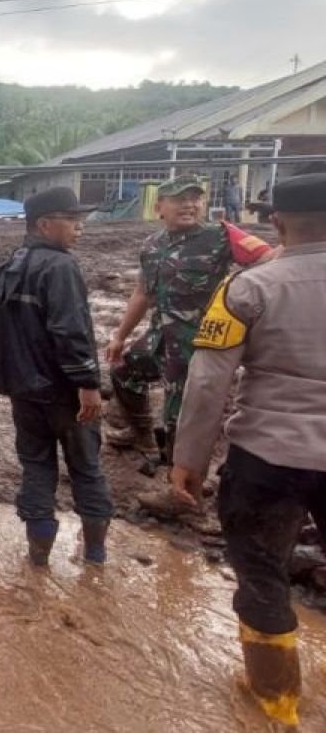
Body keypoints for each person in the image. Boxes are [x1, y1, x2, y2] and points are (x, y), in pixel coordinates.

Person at [170, 173, 326, 728]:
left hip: (267, 457)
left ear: (277, 223)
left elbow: (208, 383)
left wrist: (187, 459)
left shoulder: (248, 288)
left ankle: (276, 701)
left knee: (262, 575)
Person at [0, 187, 112, 566]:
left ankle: (37, 561)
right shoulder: (61, 267)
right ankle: (95, 559)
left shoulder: (10, 264)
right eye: (72, 221)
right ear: (44, 224)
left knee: (36, 468)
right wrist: (88, 384)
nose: (79, 228)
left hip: (25, 390)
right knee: (87, 469)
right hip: (63, 391)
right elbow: (71, 331)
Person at [105, 174, 272, 469]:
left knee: (179, 410)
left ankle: (178, 476)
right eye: (180, 199)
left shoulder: (222, 235)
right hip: (162, 337)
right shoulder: (152, 244)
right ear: (160, 207)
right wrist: (120, 336)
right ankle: (141, 433)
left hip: (199, 343)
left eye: (195, 198)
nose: (189, 205)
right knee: (123, 370)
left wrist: (240, 295)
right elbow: (143, 293)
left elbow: (270, 260)